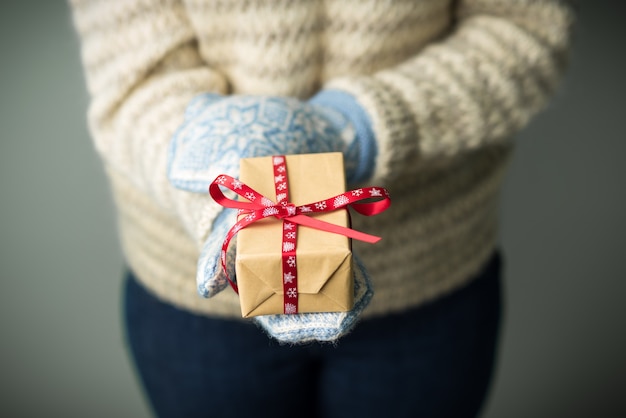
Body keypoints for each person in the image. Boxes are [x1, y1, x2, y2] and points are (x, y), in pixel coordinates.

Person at [69, 0, 573, 417]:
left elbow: (525, 31)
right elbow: (133, 74)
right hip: (196, 301)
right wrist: (227, 194)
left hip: (428, 275)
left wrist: (353, 127)